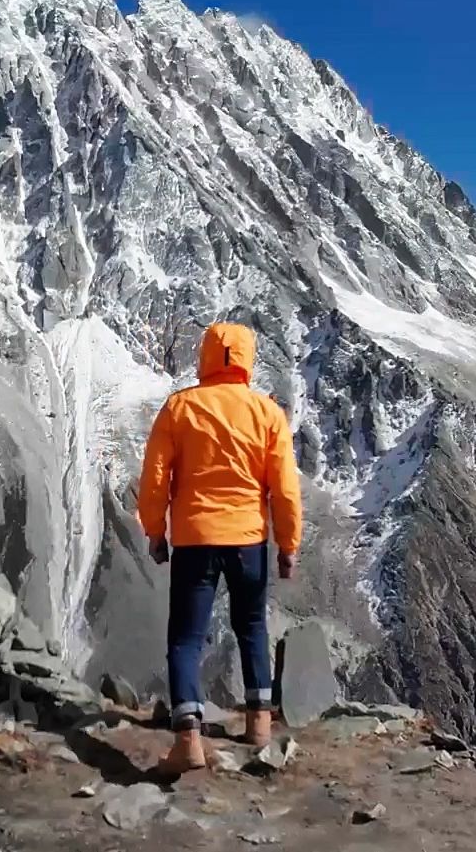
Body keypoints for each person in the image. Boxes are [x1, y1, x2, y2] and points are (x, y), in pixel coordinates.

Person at [137, 321, 303, 773]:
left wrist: (156, 532)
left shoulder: (180, 408)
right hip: (249, 537)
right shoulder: (266, 412)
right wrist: (288, 544)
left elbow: (154, 479)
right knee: (252, 626)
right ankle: (259, 726)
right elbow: (285, 488)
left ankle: (188, 739)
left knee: (186, 638)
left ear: (206, 356)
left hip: (194, 539)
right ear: (247, 358)